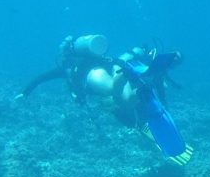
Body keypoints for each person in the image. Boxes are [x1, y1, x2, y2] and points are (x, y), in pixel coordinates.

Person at [18, 34, 193, 165]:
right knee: (124, 100)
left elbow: (42, 78)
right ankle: (135, 83)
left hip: (94, 77)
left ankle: (129, 81)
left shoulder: (69, 70)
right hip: (112, 66)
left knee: (115, 94)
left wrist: (25, 92)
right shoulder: (91, 60)